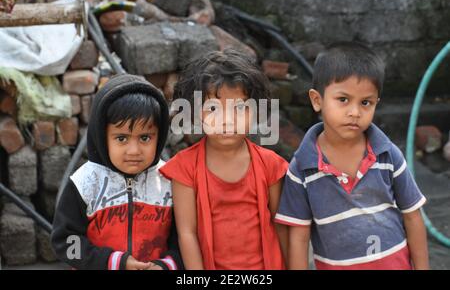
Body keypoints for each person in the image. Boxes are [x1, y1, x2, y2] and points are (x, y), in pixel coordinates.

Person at [275, 42, 429, 270]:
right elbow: (299, 235)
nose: (355, 112)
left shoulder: (388, 156)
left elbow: (413, 216)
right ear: (317, 100)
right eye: (343, 100)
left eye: (365, 102)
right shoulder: (301, 168)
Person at [159, 49, 288, 270]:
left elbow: (281, 225)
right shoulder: (184, 168)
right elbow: (187, 233)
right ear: (195, 112)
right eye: (212, 109)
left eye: (239, 108)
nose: (227, 120)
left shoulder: (271, 165)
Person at [52, 74, 182, 270]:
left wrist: (167, 265)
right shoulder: (85, 183)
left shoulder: (170, 181)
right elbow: (66, 242)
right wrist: (112, 262)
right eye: (121, 138)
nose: (134, 150)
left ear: (160, 135)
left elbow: (185, 237)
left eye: (145, 137)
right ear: (102, 137)